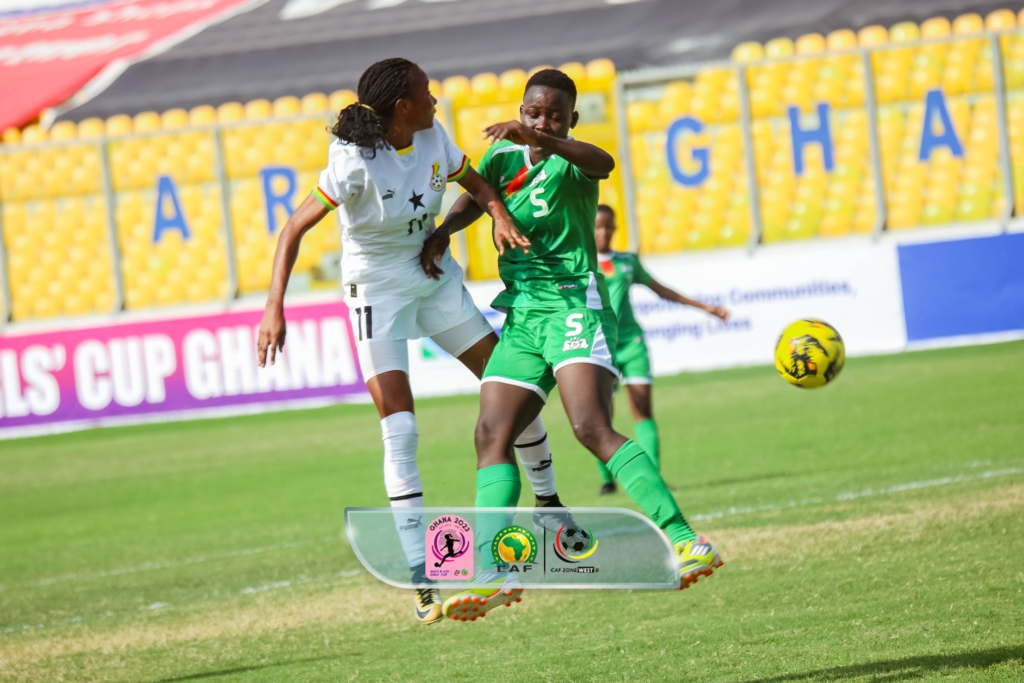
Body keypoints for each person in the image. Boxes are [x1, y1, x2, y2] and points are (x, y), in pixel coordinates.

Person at [256, 58, 567, 626]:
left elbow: (475, 184)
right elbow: (293, 228)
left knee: (510, 384)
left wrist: (496, 215)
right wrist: (274, 306)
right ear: (402, 106)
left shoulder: (432, 136)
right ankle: (423, 576)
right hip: (377, 291)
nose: (435, 100)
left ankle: (548, 503)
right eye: (426, 92)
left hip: (433, 278)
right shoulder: (351, 162)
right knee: (400, 428)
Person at [421, 69, 723, 623]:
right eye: (533, 113)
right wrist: (444, 231)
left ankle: (686, 540)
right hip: (523, 313)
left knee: (589, 427)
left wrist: (544, 140)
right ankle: (495, 571)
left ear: (569, 120)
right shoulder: (502, 159)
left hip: (573, 307)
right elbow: (475, 199)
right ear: (522, 107)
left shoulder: (571, 160)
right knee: (491, 434)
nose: (539, 121)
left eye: (554, 115)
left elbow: (603, 161)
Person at [593, 205, 729, 494]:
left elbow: (662, 290)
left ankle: (653, 475)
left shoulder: (628, 262)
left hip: (632, 343)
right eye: (597, 227)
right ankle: (607, 478)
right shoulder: (579, 263)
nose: (603, 233)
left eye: (608, 227)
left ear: (615, 229)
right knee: (600, 415)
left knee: (642, 408)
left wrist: (705, 308)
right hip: (599, 347)